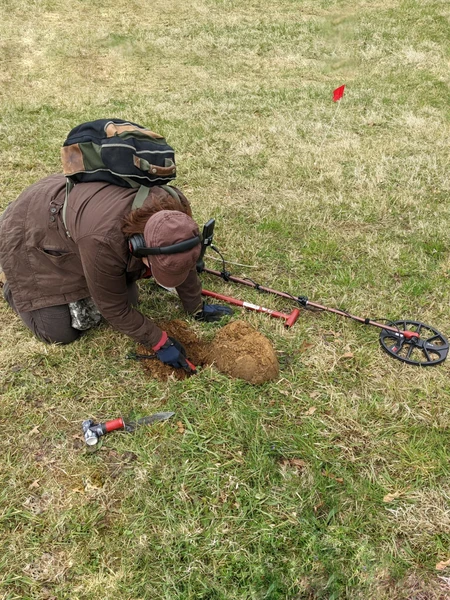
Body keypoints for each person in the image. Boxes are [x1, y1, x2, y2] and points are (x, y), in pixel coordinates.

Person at [0, 174, 232, 371]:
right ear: (138, 245)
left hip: (83, 220)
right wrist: (159, 341)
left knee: (131, 298)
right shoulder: (103, 240)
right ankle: (14, 285)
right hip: (33, 226)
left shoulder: (175, 208)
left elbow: (182, 258)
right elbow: (113, 307)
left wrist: (196, 306)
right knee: (58, 333)